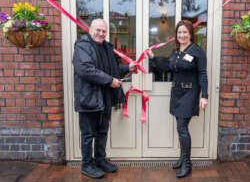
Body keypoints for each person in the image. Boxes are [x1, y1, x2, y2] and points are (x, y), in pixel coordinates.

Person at [73, 19, 136, 179]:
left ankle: (100, 160)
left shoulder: (106, 47)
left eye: (104, 31)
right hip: (89, 98)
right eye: (98, 30)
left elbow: (111, 69)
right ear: (90, 30)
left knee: (102, 132)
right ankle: (87, 165)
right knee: (88, 135)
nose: (101, 33)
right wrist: (110, 81)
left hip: (105, 97)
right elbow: (86, 70)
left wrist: (127, 68)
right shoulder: (82, 45)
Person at [147, 20, 208, 178]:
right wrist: (153, 58)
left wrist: (204, 96)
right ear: (176, 35)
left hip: (190, 93)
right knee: (181, 128)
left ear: (190, 34)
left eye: (185, 32)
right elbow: (168, 67)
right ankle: (182, 158)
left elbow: (202, 74)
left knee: (182, 128)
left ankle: (187, 164)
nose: (182, 35)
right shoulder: (175, 51)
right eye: (179, 32)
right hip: (177, 93)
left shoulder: (197, 51)